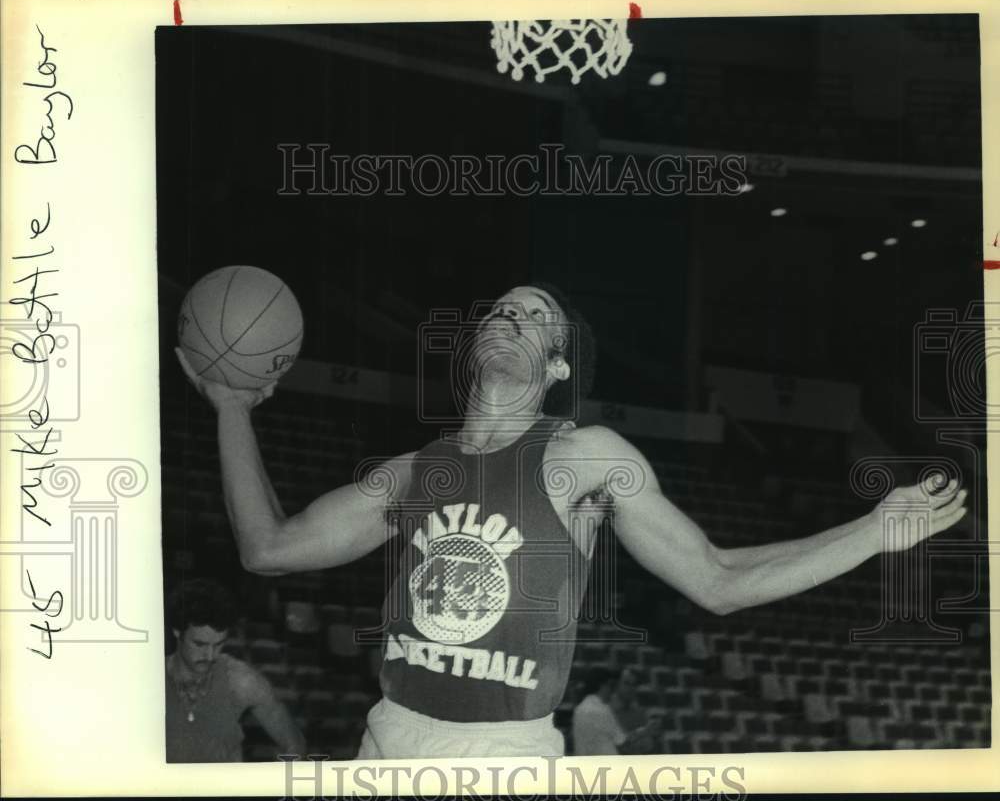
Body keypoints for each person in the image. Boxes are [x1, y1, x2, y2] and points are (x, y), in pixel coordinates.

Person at [175, 283, 968, 759]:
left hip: (505, 754)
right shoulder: (415, 471)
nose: (510, 315)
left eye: (534, 314)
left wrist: (872, 531)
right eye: (501, 308)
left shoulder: (583, 456)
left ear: (557, 368)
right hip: (386, 739)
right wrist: (231, 408)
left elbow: (718, 580)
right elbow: (268, 549)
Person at [165, 578, 306, 762]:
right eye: (199, 644)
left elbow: (295, 744)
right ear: (177, 631)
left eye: (218, 644)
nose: (209, 656)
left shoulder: (241, 681)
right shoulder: (147, 681)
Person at [572, 667, 663, 755]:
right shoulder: (602, 709)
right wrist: (646, 730)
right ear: (602, 686)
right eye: (611, 685)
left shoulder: (580, 709)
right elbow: (623, 743)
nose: (612, 690)